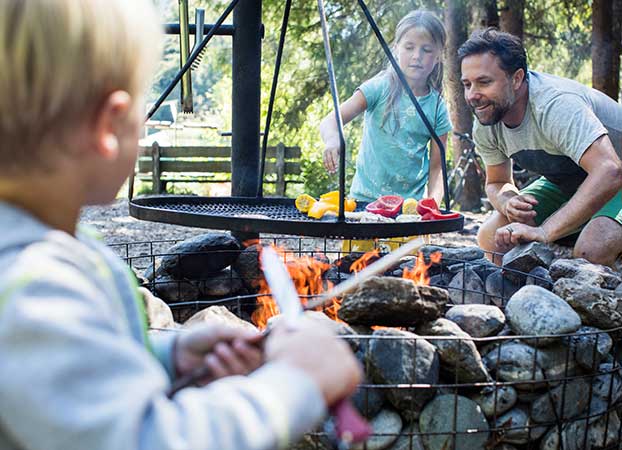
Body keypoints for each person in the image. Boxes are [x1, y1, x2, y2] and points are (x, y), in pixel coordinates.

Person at [0, 1, 362, 450]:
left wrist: (171, 356)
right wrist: (297, 385)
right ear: (110, 125)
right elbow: (149, 441)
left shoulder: (44, 252)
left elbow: (58, 377)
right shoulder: (35, 287)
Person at [459, 28, 622, 267]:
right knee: (491, 237)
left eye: (484, 82)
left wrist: (546, 231)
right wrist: (508, 201)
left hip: (615, 176)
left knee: (592, 250)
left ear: (516, 79)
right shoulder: (487, 117)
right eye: (467, 84)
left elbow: (609, 170)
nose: (473, 95)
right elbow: (496, 182)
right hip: (569, 181)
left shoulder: (555, 105)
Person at [320, 10, 452, 252]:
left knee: (406, 272)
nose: (417, 56)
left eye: (426, 49)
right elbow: (331, 120)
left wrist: (432, 202)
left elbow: (437, 167)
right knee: (354, 267)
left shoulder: (437, 108)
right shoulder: (379, 87)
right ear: (396, 48)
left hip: (407, 212)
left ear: (439, 56)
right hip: (364, 205)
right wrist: (333, 140)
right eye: (409, 47)